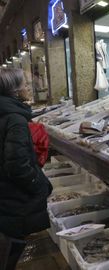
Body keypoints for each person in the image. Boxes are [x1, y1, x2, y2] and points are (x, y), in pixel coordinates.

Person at [0, 68, 52, 270]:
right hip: (13, 199)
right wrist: (41, 186)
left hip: (4, 196)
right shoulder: (15, 119)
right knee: (10, 251)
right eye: (25, 84)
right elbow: (17, 165)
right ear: (14, 90)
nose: (29, 87)